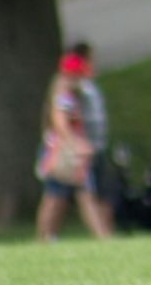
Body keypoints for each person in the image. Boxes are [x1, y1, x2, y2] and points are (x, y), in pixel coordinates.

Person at [35, 53, 113, 241]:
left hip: (67, 151)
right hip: (62, 153)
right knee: (56, 198)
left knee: (75, 195)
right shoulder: (64, 95)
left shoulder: (67, 94)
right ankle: (43, 238)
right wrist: (76, 144)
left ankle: (47, 237)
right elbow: (60, 122)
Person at [68, 41, 116, 234]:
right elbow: (63, 115)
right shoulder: (73, 86)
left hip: (97, 146)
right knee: (83, 194)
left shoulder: (89, 85)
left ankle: (107, 233)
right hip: (82, 148)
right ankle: (102, 235)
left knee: (104, 193)